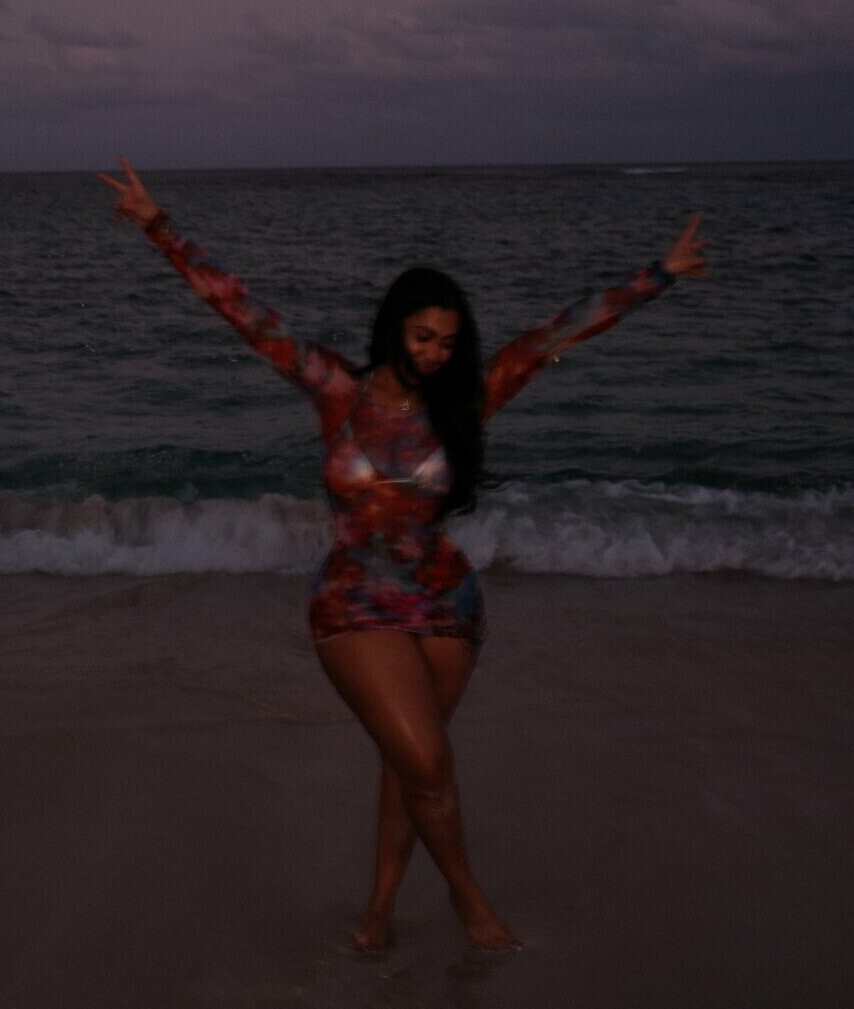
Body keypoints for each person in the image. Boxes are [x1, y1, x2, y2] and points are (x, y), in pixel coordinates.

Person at [98, 156, 708, 951]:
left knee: (411, 762)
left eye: (449, 342)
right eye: (423, 337)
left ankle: (378, 913)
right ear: (394, 327)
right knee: (426, 759)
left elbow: (559, 332)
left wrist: (661, 273)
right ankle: (470, 903)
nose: (436, 353)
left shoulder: (468, 398)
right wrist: (160, 227)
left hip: (447, 600)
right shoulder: (335, 389)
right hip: (352, 599)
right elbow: (242, 310)